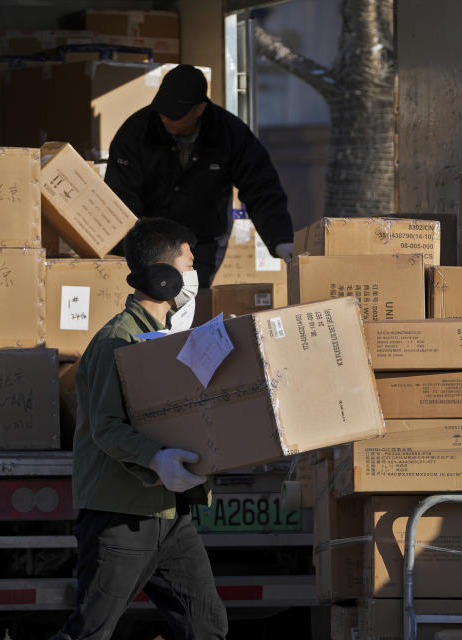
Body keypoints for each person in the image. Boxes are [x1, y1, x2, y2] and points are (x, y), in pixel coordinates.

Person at [52, 218, 228, 640]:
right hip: (121, 518)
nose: (193, 274)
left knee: (206, 628)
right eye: (188, 264)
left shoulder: (167, 340)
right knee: (89, 633)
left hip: (170, 517)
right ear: (164, 276)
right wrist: (156, 458)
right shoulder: (118, 342)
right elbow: (105, 428)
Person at [105, 64, 295, 287]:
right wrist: (132, 246)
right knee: (151, 299)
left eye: (176, 115)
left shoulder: (229, 133)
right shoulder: (136, 131)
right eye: (162, 111)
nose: (166, 119)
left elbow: (261, 187)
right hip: (150, 240)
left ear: (200, 109)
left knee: (191, 301)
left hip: (202, 239)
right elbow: (120, 196)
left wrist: (280, 239)